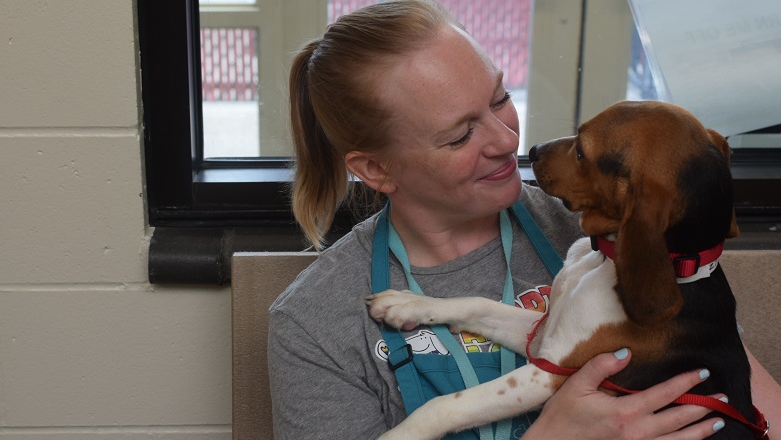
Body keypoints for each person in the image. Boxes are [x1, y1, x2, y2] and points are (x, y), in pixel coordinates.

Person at [268, 1, 781, 439]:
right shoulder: (313, 323)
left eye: (500, 98)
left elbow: (755, 405)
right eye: (459, 135)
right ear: (375, 169)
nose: (507, 140)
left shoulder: (607, 229)